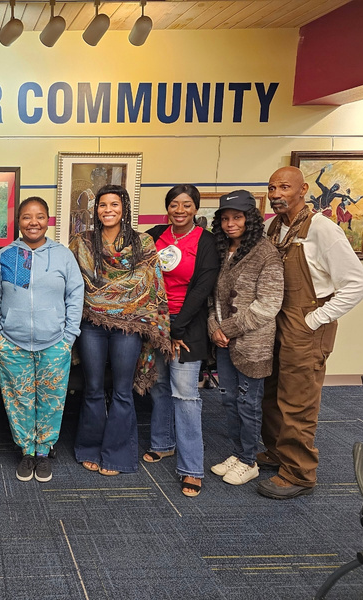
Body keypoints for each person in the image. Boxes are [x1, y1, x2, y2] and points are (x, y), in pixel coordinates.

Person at [258, 166, 363, 499]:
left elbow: (357, 283)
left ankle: (299, 473)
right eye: (272, 188)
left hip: (305, 327)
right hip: (278, 321)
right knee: (273, 393)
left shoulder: (322, 229)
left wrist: (316, 319)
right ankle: (277, 452)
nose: (276, 194)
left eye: (284, 187)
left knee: (298, 400)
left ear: (303, 189)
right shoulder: (274, 227)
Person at [69, 185, 170, 478]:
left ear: (124, 208)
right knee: (92, 388)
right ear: (96, 209)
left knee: (123, 391)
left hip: (129, 325)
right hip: (92, 324)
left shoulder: (142, 242)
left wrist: (117, 302)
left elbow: (150, 282)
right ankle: (90, 448)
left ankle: (117, 455)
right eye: (103, 205)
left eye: (114, 204)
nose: (108, 210)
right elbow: (71, 280)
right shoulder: (82, 242)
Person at [0, 197, 83, 482]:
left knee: (51, 400)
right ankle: (26, 451)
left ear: (48, 220)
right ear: (18, 221)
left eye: (40, 216)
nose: (33, 222)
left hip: (54, 342)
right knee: (18, 400)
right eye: (27, 217)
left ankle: (43, 451)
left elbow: (75, 295)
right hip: (12, 343)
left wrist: (69, 337)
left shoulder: (62, 255)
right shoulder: (6, 255)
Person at [145, 184, 219, 497]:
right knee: (159, 385)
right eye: (174, 204)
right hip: (155, 323)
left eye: (186, 205)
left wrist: (177, 329)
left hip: (187, 325)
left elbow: (202, 289)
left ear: (195, 208)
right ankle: (163, 443)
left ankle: (192, 469)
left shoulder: (206, 241)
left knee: (186, 395)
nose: (180, 210)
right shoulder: (155, 235)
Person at [207, 191, 284, 487]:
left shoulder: (266, 253)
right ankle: (239, 453)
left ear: (250, 219)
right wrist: (213, 326)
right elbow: (212, 297)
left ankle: (250, 461)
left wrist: (226, 329)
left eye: (237, 217)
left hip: (253, 344)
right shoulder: (221, 249)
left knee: (248, 403)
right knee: (229, 400)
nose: (230, 224)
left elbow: (268, 305)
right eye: (225, 218)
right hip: (223, 342)